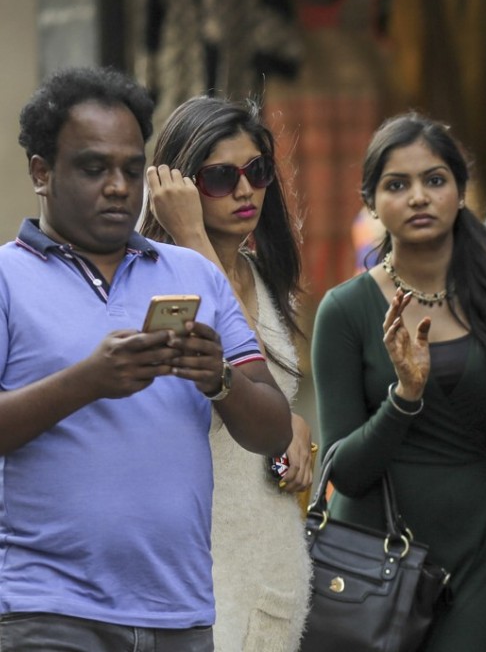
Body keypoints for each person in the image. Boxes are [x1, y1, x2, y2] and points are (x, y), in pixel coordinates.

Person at [0, 67, 291, 650]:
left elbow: (275, 431)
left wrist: (220, 380)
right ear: (41, 172)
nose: (117, 186)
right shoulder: (8, 277)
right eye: (93, 167)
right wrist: (88, 381)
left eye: (132, 169)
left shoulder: (194, 274)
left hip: (179, 615)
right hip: (48, 612)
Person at [311, 112, 486, 651]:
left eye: (434, 180)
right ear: (371, 202)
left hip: (484, 547)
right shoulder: (344, 310)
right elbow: (346, 472)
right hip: (373, 557)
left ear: (460, 189)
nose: (418, 197)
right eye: (396, 185)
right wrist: (404, 397)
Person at [141, 96, 313, 651]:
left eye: (257, 171)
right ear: (183, 188)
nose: (245, 190)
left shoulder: (265, 276)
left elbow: (262, 384)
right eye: (220, 177)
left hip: (273, 546)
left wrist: (295, 430)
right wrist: (190, 237)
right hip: (195, 560)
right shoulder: (159, 285)